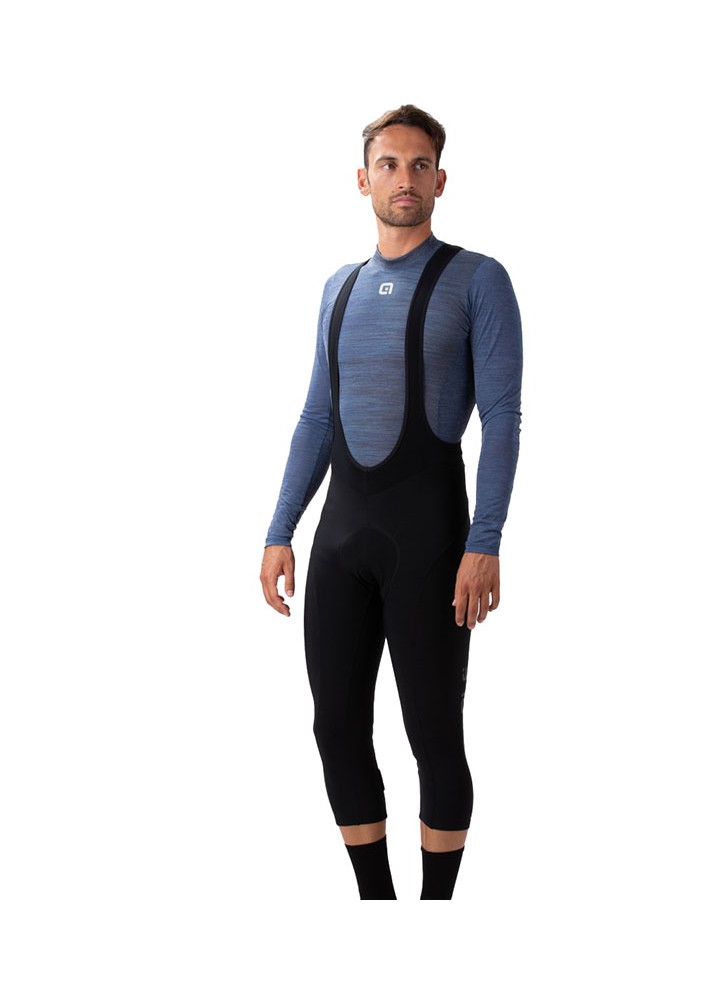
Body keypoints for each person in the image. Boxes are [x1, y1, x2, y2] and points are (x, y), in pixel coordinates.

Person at [260, 105, 522, 900]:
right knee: (335, 727)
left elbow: (502, 417)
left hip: (432, 539)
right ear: (362, 178)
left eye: (419, 165)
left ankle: (436, 912)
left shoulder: (478, 279)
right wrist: (279, 530)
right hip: (341, 539)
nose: (403, 178)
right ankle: (377, 907)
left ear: (440, 181)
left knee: (433, 733)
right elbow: (317, 417)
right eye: (388, 164)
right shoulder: (337, 288)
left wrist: (486, 542)